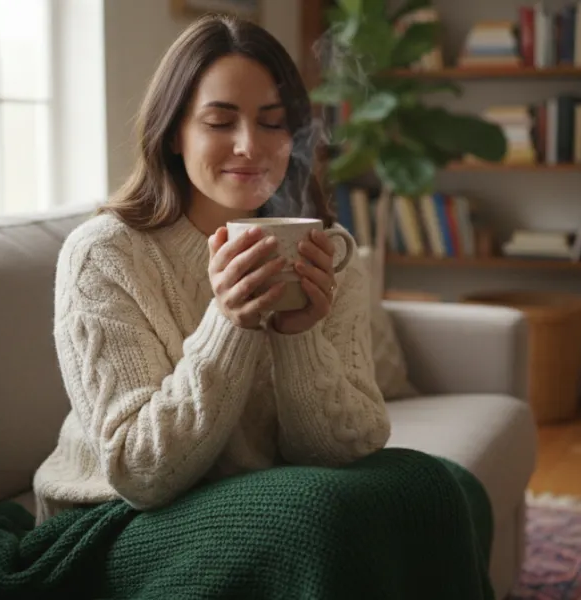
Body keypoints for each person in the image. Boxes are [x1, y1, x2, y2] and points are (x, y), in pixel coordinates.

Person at [30, 12, 391, 523]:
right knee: (316, 521)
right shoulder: (105, 256)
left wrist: (299, 337)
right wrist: (229, 323)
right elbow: (139, 472)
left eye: (272, 122)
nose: (249, 145)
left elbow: (350, 449)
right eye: (220, 122)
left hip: (267, 498)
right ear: (175, 133)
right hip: (115, 519)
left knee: (432, 484)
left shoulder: (327, 254)